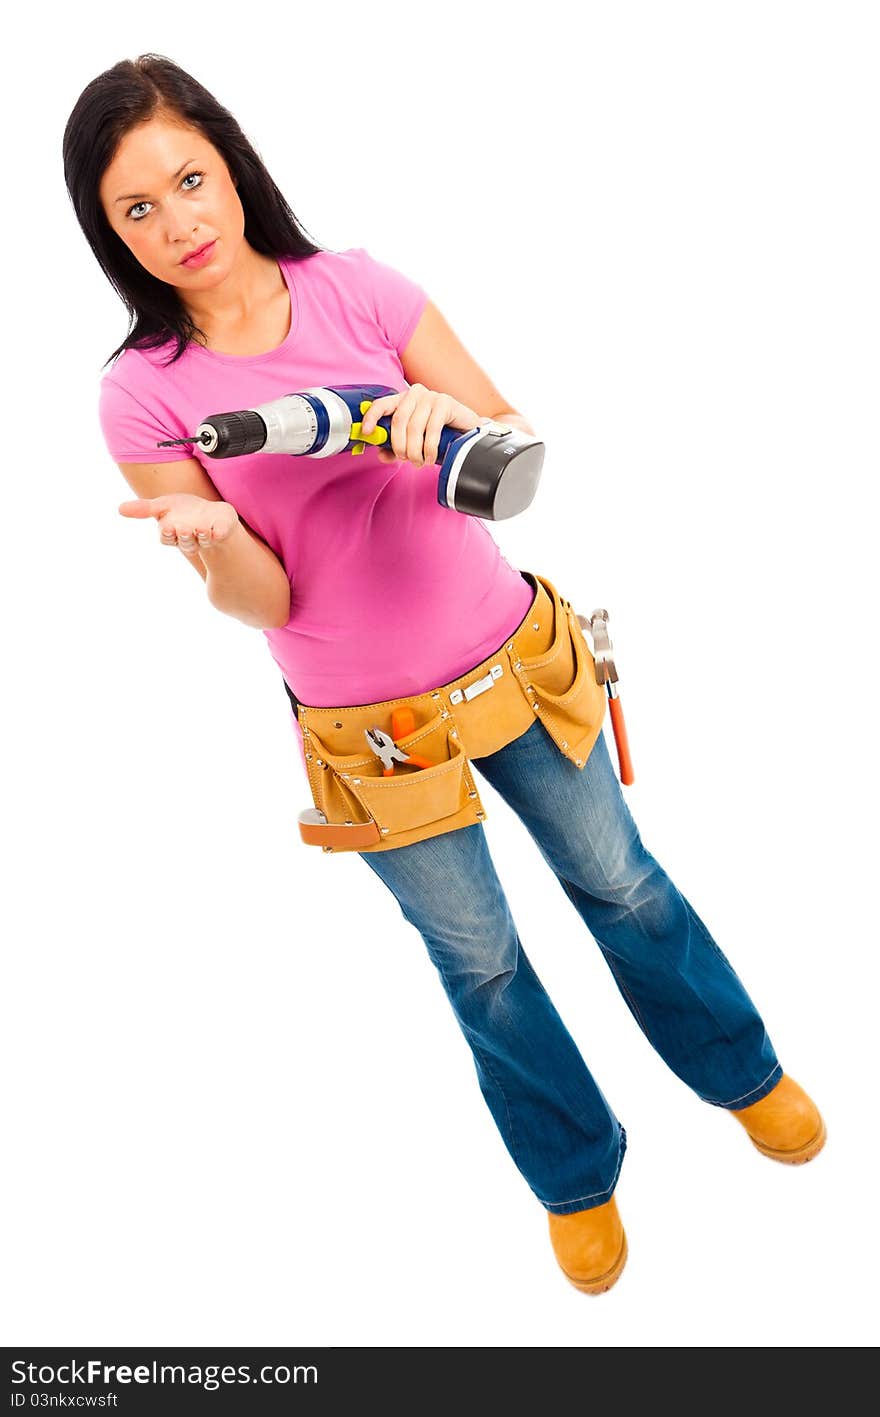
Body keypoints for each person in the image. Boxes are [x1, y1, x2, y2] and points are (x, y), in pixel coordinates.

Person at [64, 53, 826, 1296]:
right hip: (367, 734)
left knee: (622, 885)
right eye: (135, 209)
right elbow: (268, 603)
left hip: (514, 662)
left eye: (189, 181)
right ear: (107, 231)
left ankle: (742, 1073)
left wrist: (441, 425)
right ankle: (576, 1176)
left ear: (232, 164)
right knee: (477, 959)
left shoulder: (361, 289)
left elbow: (520, 452)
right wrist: (217, 547)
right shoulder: (142, 397)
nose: (177, 223)